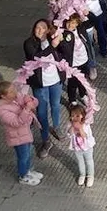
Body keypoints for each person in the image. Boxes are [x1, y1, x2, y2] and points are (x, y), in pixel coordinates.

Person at [23, 19, 64, 158]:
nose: (39, 30)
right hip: (39, 83)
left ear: (48, 29)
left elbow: (64, 52)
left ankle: (57, 126)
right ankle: (45, 140)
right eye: (37, 28)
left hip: (56, 80)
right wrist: (52, 46)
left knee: (56, 105)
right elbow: (36, 57)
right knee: (41, 112)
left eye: (43, 28)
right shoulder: (29, 43)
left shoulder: (54, 39)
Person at [0, 81, 43, 186]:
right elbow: (16, 122)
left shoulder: (15, 97)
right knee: (23, 156)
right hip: (18, 136)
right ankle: (23, 176)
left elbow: (33, 101)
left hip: (25, 132)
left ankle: (28, 170)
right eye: (11, 91)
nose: (15, 92)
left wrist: (30, 100)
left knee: (29, 152)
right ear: (3, 96)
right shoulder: (1, 110)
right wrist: (27, 109)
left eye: (14, 89)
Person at [59, 14, 93, 105]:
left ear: (77, 24)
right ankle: (72, 100)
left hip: (84, 59)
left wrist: (85, 13)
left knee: (83, 80)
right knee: (72, 83)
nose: (70, 25)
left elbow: (91, 21)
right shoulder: (62, 34)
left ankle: (83, 95)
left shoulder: (80, 29)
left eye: (73, 23)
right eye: (69, 22)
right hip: (73, 63)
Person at [67, 104, 96, 187]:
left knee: (89, 161)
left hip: (87, 147)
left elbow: (85, 136)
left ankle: (90, 175)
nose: (75, 118)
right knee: (80, 162)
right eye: (72, 116)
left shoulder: (86, 125)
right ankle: (82, 175)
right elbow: (69, 134)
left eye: (77, 115)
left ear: (82, 116)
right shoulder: (70, 124)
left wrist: (80, 128)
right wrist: (72, 127)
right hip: (77, 148)